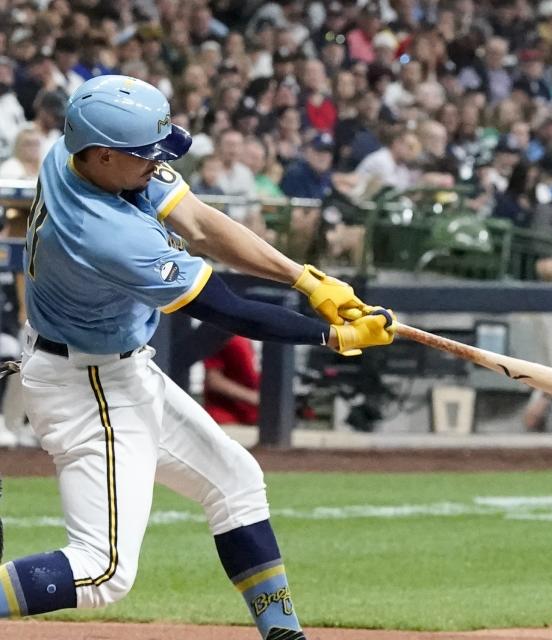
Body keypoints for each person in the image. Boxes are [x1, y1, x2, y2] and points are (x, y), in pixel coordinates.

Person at [0, 76, 395, 640]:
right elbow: (227, 309)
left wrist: (307, 278)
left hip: (116, 366)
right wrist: (330, 336)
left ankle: (285, 635)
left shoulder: (75, 152)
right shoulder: (103, 233)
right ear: (104, 154)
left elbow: (203, 224)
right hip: (86, 385)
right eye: (144, 154)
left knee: (235, 481)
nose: (155, 163)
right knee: (102, 571)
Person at [204, 335, 261, 426]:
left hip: (255, 419)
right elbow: (213, 380)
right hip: (227, 418)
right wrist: (255, 398)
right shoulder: (224, 335)